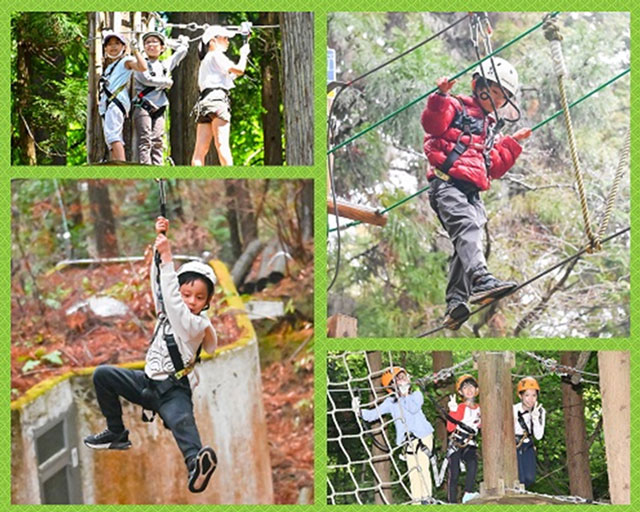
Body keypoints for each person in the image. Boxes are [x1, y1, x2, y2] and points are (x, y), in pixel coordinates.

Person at [84, 216, 218, 494]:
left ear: (207, 302)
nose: (192, 301)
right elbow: (160, 288)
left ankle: (196, 466)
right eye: (187, 294)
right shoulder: (167, 312)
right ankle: (116, 432)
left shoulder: (195, 325)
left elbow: (172, 300)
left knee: (183, 423)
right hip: (146, 383)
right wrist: (158, 251)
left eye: (199, 298)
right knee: (103, 375)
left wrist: (169, 257)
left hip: (173, 391)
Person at [421, 57, 533, 330]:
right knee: (467, 228)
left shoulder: (489, 128)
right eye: (491, 91)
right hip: (447, 184)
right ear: (477, 85)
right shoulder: (455, 107)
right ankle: (481, 279)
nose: (494, 99)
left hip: (471, 193)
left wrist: (512, 145)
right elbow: (433, 125)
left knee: (467, 242)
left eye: (501, 95)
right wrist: (440, 96)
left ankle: (456, 303)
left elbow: (492, 168)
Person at [352, 367, 435, 503]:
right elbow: (374, 414)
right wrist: (359, 410)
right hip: (408, 442)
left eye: (403, 377)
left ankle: (426, 499)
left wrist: (406, 395)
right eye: (397, 379)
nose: (401, 381)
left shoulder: (416, 395)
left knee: (422, 467)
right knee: (413, 472)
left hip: (423, 436)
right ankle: (417, 502)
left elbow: (413, 408)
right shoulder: (390, 402)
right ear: (392, 386)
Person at [191, 25, 250, 166]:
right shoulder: (216, 55)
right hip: (218, 102)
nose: (228, 41)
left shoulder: (206, 61)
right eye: (225, 38)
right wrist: (244, 55)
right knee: (222, 145)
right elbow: (240, 70)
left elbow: (227, 78)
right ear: (213, 41)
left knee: (200, 150)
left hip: (204, 104)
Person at [133, 31, 189, 165]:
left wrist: (171, 42)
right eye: (147, 42)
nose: (151, 45)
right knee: (145, 140)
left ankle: (159, 171)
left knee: (158, 141)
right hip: (143, 105)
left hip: (159, 107)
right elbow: (146, 79)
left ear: (162, 47)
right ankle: (146, 171)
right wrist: (165, 82)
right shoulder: (139, 63)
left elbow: (182, 50)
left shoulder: (165, 64)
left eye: (154, 42)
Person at [99, 31, 147, 162]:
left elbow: (143, 67)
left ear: (124, 47)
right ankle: (117, 164)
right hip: (109, 104)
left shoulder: (126, 61)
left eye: (117, 43)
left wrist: (135, 51)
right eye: (109, 44)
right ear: (105, 48)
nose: (113, 47)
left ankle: (122, 165)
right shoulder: (109, 67)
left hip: (116, 101)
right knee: (110, 138)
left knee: (113, 135)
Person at [446, 374, 481, 504]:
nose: (469, 390)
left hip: (470, 443)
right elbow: (450, 428)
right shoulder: (460, 407)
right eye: (465, 387)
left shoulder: (480, 409)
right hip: (457, 442)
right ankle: (452, 502)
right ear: (460, 392)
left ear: (476, 390)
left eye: (471, 386)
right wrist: (453, 411)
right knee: (454, 474)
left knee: (473, 463)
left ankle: (468, 492)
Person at [513, 376, 545, 487]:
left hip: (528, 444)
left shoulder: (540, 411)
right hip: (514, 445)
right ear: (520, 396)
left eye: (534, 395)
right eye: (527, 395)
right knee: (519, 477)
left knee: (530, 478)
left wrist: (535, 418)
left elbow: (539, 435)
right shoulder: (514, 410)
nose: (530, 399)